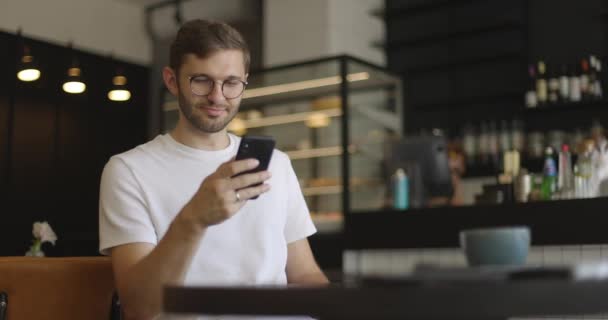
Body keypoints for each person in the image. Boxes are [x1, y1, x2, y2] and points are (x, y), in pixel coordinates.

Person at [99, 19, 329, 320]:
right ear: (172, 81)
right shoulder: (128, 171)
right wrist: (193, 219)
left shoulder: (278, 164)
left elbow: (304, 275)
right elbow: (140, 307)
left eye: (231, 82)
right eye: (201, 80)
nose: (218, 96)